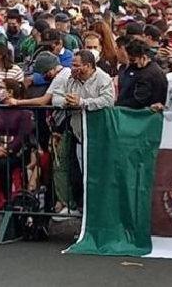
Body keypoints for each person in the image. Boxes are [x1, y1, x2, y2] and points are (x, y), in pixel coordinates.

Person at [50, 50, 115, 218]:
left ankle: (100, 213)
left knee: (97, 176)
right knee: (83, 176)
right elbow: (55, 98)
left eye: (77, 65)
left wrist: (83, 103)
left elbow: (108, 100)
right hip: (79, 135)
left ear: (88, 66)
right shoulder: (70, 79)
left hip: (99, 137)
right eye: (73, 64)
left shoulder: (103, 78)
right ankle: (85, 214)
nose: (73, 68)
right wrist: (66, 102)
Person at [0, 79, 33, 211]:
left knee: (3, 164)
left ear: (10, 92)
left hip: (17, 151)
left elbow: (22, 135)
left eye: (1, 87)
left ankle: (8, 200)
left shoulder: (23, 111)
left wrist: (8, 149)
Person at [116, 39, 167, 109]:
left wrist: (117, 104)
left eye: (133, 60)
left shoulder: (148, 74)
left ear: (144, 57)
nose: (131, 63)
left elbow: (139, 100)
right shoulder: (149, 68)